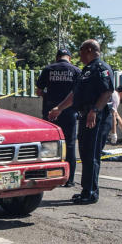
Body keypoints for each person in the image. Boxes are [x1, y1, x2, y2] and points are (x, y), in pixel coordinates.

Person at [48, 40, 114, 204]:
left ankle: (91, 192)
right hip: (85, 115)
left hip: (96, 117)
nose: (79, 55)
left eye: (81, 51)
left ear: (90, 50)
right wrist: (60, 108)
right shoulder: (87, 70)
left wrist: (95, 110)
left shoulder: (101, 68)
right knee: (85, 153)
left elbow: (107, 92)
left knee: (91, 155)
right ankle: (86, 190)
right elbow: (74, 94)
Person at [37, 48, 82, 187]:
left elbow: (39, 91)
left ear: (57, 58)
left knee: (48, 145)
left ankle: (48, 177)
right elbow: (78, 93)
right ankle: (69, 180)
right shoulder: (76, 71)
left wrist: (49, 96)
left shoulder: (48, 69)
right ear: (70, 57)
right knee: (69, 145)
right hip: (69, 113)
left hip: (50, 112)